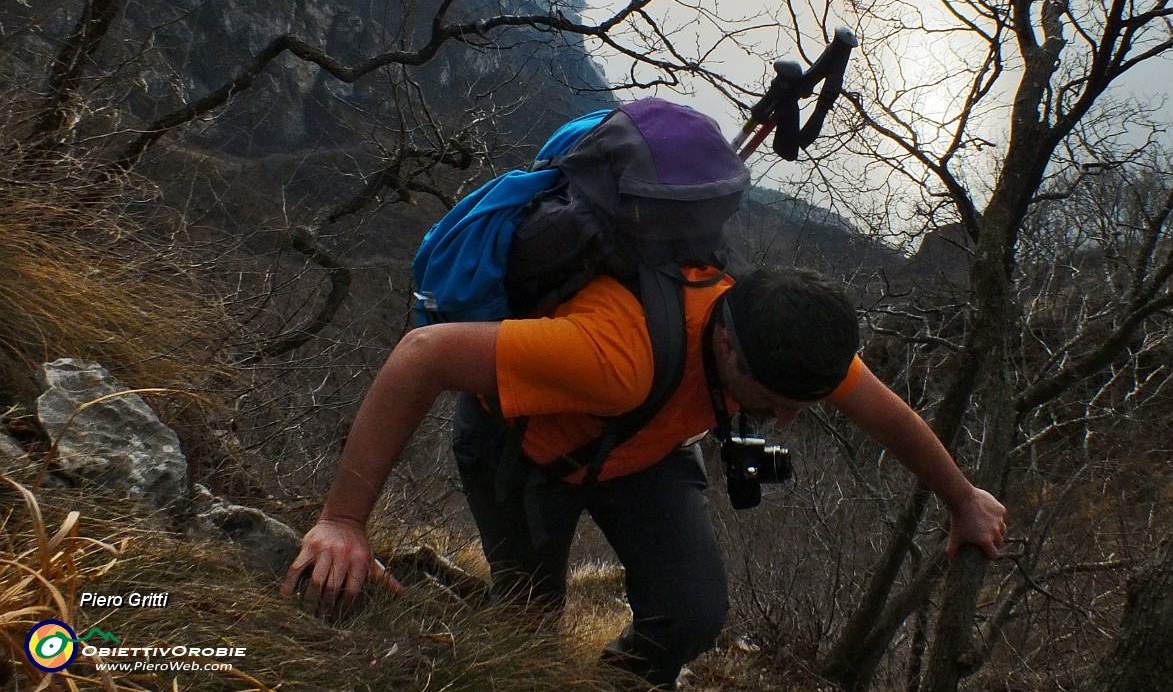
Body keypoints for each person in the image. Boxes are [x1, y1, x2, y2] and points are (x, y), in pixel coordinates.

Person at [281, 266, 1007, 690]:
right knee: (527, 631)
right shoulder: (616, 353)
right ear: (727, 345)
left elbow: (890, 418)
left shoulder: (780, 333)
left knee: (691, 612)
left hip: (642, 448)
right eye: (778, 400)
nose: (787, 417)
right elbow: (423, 353)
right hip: (531, 447)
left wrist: (962, 499)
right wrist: (344, 519)